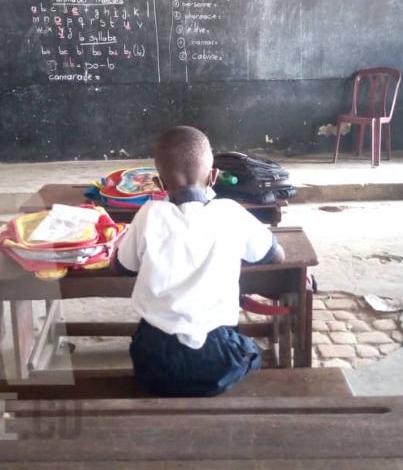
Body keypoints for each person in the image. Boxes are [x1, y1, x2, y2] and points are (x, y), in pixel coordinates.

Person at [113, 125, 285, 395]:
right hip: (216, 358)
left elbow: (123, 266)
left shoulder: (149, 214)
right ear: (214, 177)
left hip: (154, 358)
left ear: (159, 182)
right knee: (250, 351)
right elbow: (276, 255)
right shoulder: (230, 213)